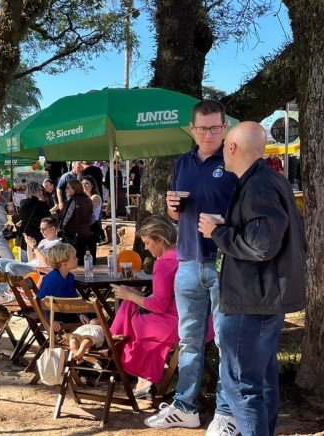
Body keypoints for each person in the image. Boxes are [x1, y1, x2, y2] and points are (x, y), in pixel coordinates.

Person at [198, 121, 306, 436]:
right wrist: (229, 225)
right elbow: (269, 235)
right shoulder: (268, 181)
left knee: (241, 384)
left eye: (223, 145)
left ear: (231, 148)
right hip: (263, 297)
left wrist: (217, 232)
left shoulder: (258, 185)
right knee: (260, 382)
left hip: (252, 301)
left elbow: (261, 245)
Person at [146, 99, 238, 431]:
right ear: (193, 129)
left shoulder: (234, 160)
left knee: (226, 340)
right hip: (187, 261)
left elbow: (249, 211)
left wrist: (225, 220)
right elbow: (175, 214)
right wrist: (171, 207)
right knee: (188, 341)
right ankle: (186, 407)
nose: (209, 134)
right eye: (203, 128)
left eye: (216, 127)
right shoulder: (182, 163)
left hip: (224, 262)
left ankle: (227, 413)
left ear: (224, 127)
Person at [110, 216, 212, 399]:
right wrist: (138, 296)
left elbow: (159, 305)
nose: (147, 248)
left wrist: (130, 295)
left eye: (148, 243)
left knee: (129, 311)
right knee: (132, 309)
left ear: (161, 239)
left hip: (179, 325)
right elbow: (172, 297)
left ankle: (112, 349)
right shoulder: (186, 253)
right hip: (204, 322)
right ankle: (135, 370)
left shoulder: (164, 263)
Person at [0, 217, 62, 298]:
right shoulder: (43, 241)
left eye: (44, 229)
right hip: (31, 265)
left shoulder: (57, 244)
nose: (41, 231)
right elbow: (31, 260)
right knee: (0, 262)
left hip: (39, 270)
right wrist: (29, 245)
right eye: (40, 229)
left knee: (10, 266)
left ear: (53, 229)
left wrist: (34, 246)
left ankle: (14, 293)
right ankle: (2, 294)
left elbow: (45, 262)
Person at [16, 181, 52, 262]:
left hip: (26, 236)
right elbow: (48, 220)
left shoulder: (23, 203)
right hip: (39, 237)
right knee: (38, 263)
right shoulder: (43, 205)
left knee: (25, 263)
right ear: (37, 191)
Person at [57, 179, 92, 261]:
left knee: (71, 260)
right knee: (82, 259)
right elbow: (92, 217)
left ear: (74, 188)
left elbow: (66, 217)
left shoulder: (73, 200)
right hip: (85, 233)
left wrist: (60, 228)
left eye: (68, 188)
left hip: (72, 234)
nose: (66, 190)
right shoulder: (88, 199)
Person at [81, 177, 104, 264]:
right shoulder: (85, 197)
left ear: (92, 185)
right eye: (82, 184)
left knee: (90, 254)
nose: (84, 186)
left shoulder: (95, 197)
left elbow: (86, 212)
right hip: (84, 228)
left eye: (86, 183)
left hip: (91, 229)